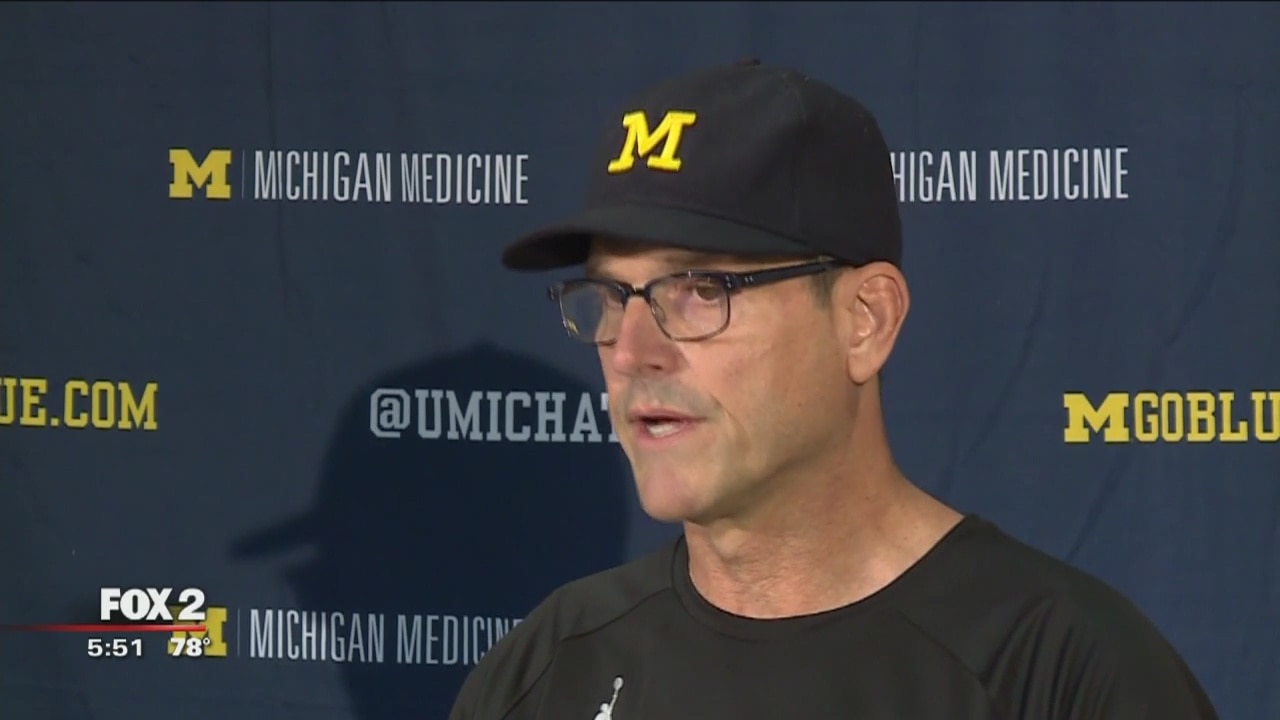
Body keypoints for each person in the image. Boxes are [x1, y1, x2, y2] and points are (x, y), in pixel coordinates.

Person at [448, 59, 1219, 719]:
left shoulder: (1062, 674)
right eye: (612, 297)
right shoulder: (548, 669)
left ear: (865, 321)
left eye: (700, 290)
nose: (632, 350)